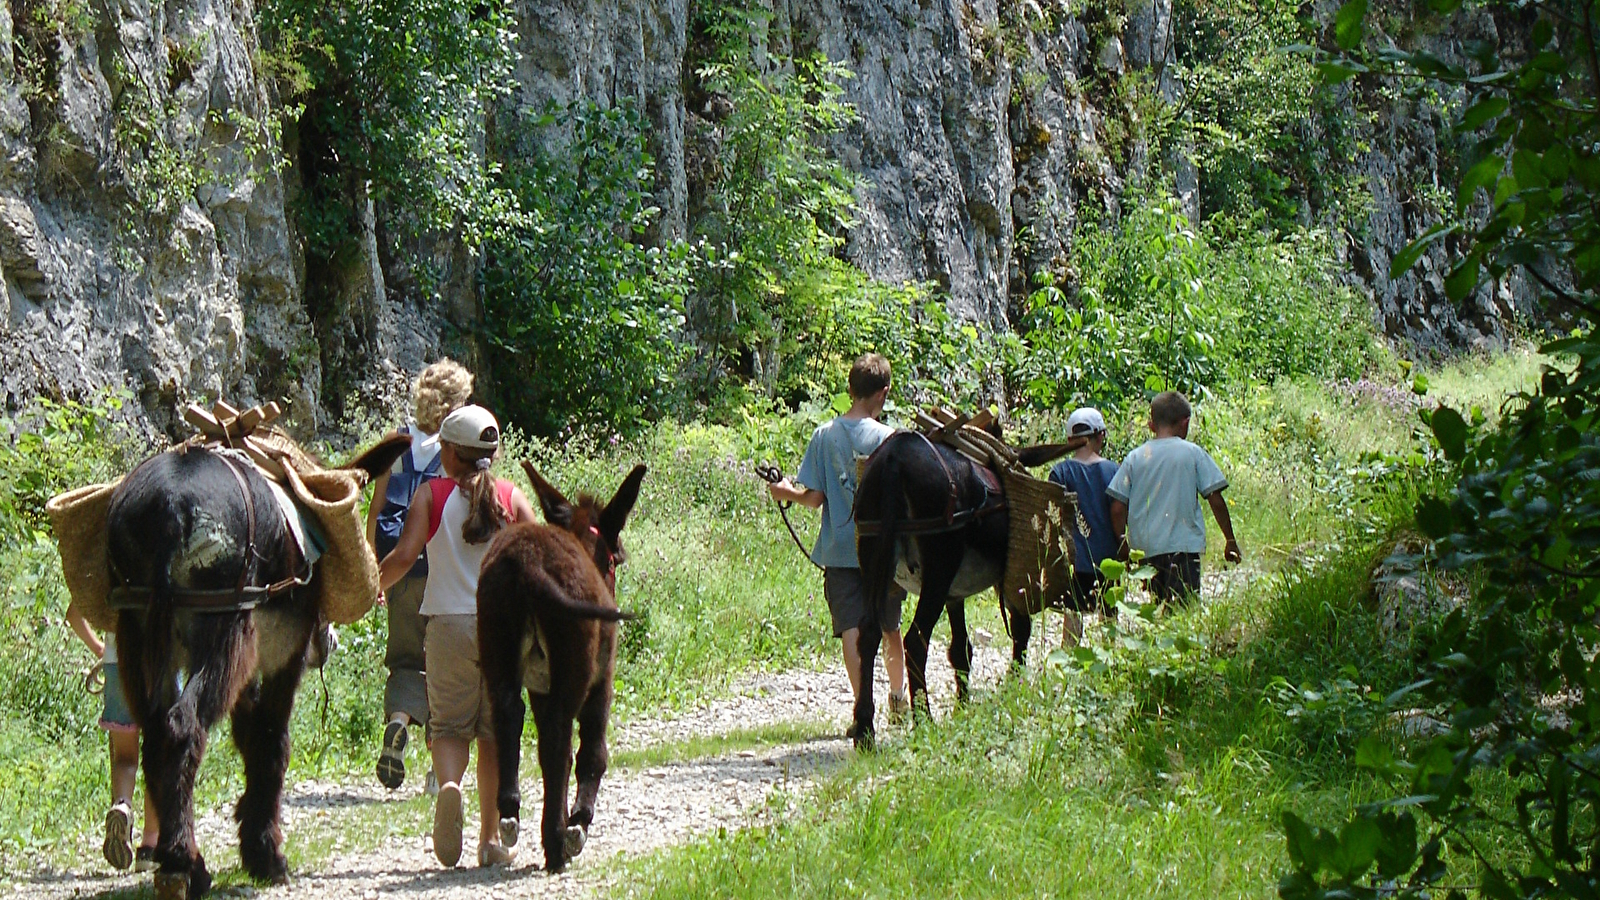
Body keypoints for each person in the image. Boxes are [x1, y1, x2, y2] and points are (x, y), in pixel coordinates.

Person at [378, 404, 536, 869]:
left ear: (448, 452)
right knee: (491, 732)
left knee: (448, 726)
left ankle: (448, 787)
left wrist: (374, 586)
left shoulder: (432, 494)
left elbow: (405, 555)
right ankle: (490, 839)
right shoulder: (511, 496)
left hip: (445, 625)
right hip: (500, 628)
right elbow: (539, 553)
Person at [767, 353, 910, 726]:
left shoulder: (824, 435)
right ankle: (898, 698)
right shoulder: (891, 440)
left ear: (850, 389)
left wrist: (786, 493)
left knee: (851, 627)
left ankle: (864, 703)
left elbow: (814, 500)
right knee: (890, 625)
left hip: (841, 551)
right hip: (884, 553)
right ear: (883, 394)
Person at [366, 358, 474, 791]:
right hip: (439, 567)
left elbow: (375, 513)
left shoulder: (396, 442)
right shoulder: (456, 449)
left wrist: (376, 575)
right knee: (443, 664)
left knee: (406, 657)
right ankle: (437, 772)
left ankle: (397, 721)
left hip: (397, 567)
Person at [1106, 391, 1242, 605]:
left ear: (1151, 425)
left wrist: (1123, 542)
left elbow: (1117, 507)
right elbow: (1215, 499)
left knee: (1157, 606)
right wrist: (1230, 540)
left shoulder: (1135, 457)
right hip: (1184, 549)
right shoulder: (1193, 453)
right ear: (1185, 423)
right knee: (1182, 608)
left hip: (1146, 549)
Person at [65, 609, 159, 873]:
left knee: (125, 758)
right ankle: (150, 847)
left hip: (117, 663)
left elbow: (75, 614)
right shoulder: (161, 567)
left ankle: (122, 805)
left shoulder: (109, 570)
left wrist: (100, 648)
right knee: (158, 755)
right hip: (159, 658)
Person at [1047, 407, 1121, 632]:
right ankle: (1110, 656)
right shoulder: (1114, 471)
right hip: (1109, 560)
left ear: (1070, 440)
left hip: (1075, 562)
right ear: (1100, 436)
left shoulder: (1060, 472)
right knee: (1109, 617)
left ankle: (1070, 661)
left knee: (1073, 618)